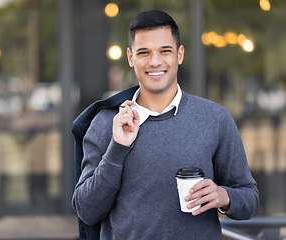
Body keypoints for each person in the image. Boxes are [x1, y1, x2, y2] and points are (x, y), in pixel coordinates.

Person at [72, 10, 259, 239]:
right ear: (131, 58)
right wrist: (117, 148)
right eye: (144, 53)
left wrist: (223, 196)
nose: (155, 62)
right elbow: (87, 211)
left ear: (179, 54)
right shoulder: (106, 123)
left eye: (165, 51)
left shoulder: (215, 118)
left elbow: (250, 199)